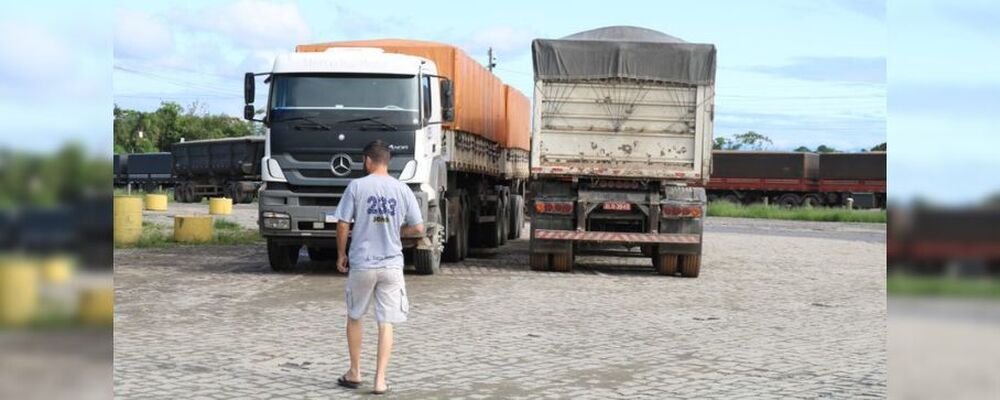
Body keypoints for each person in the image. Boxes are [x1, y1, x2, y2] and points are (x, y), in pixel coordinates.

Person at [332, 140, 423, 395]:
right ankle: (380, 380)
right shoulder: (402, 189)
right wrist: (398, 230)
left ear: (368, 161)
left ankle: (355, 372)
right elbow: (418, 228)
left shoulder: (357, 186)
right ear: (387, 161)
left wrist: (341, 254)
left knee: (355, 315)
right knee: (386, 322)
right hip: (392, 265)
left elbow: (342, 223)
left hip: (362, 263)